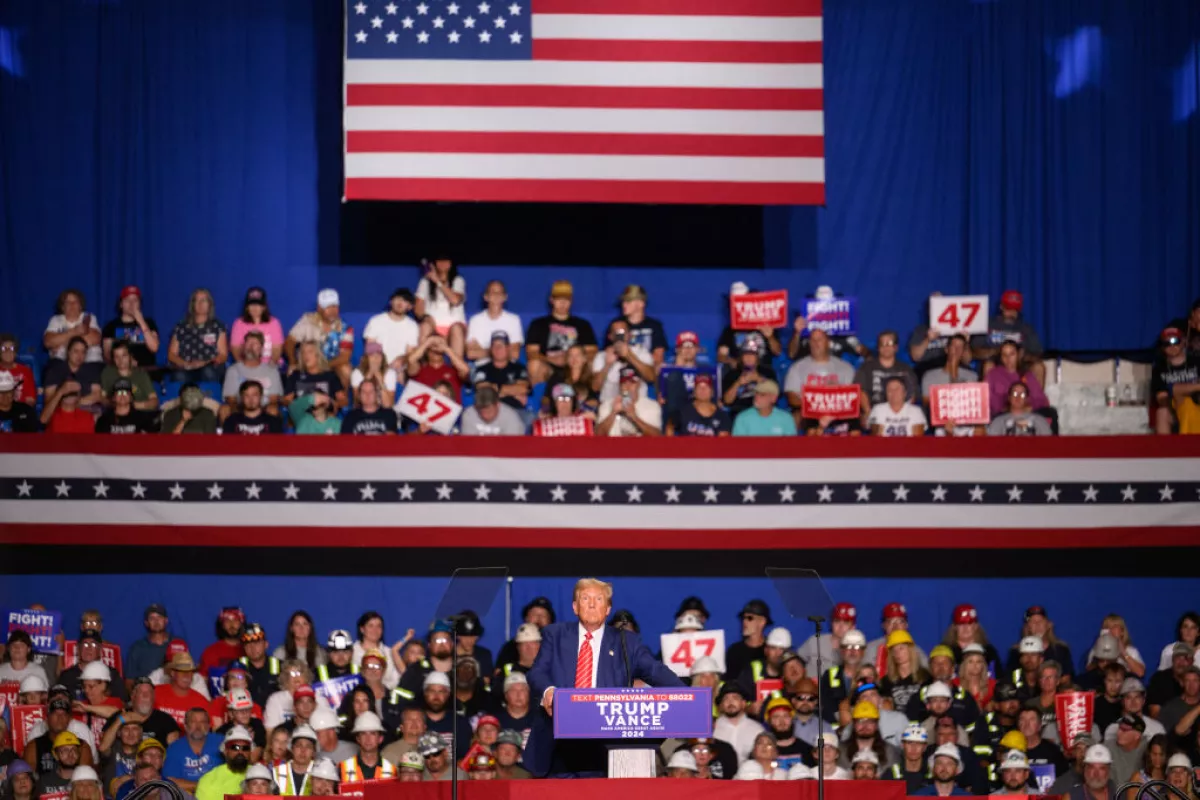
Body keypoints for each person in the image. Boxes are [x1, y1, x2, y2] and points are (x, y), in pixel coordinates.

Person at [525, 578, 684, 777]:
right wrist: (549, 691)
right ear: (575, 607)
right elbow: (537, 672)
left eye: (599, 599)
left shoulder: (627, 642)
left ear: (608, 609)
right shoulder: (555, 635)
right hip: (557, 743)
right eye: (585, 598)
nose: (592, 604)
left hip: (605, 747)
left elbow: (658, 674)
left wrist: (690, 700)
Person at [525, 281, 599, 386]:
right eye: (559, 299)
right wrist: (551, 359)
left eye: (566, 299)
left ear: (571, 301)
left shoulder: (583, 325)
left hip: (576, 366)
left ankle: (586, 397)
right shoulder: (538, 324)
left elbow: (592, 352)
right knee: (534, 364)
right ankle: (540, 400)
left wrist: (572, 359)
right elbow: (531, 352)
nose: (563, 303)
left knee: (593, 364)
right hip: (549, 366)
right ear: (551, 300)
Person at [286, 289, 354, 390]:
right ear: (319, 308)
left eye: (334, 306)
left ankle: (342, 402)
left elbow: (345, 357)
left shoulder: (345, 328)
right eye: (328, 307)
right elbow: (289, 342)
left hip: (331, 364)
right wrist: (292, 362)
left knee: (346, 370)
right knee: (291, 370)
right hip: (308, 361)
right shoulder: (307, 321)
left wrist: (323, 366)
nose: (332, 311)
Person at [972, 290, 1046, 384]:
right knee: (988, 366)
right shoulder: (989, 325)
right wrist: (997, 353)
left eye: (1014, 310)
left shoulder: (1025, 328)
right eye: (1008, 309)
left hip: (1019, 366)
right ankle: (990, 398)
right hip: (996, 363)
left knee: (1039, 367)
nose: (1011, 313)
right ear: (1001, 307)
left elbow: (1038, 353)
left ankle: (1037, 398)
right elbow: (974, 350)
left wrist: (1022, 356)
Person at [167, 289, 227, 384]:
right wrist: (186, 364)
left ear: (210, 304)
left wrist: (204, 363)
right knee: (179, 376)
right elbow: (171, 354)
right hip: (186, 367)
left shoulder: (218, 326)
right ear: (192, 304)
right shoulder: (181, 326)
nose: (200, 304)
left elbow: (223, 355)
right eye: (197, 300)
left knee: (208, 372)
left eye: (203, 300)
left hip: (209, 366)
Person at [716, 282, 783, 367]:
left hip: (764, 373)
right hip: (740, 375)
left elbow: (777, 352)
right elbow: (721, 356)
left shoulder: (766, 326)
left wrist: (770, 337)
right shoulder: (729, 331)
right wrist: (732, 361)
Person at [853, 330, 918, 418]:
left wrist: (902, 414)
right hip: (874, 412)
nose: (886, 347)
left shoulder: (906, 369)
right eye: (882, 343)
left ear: (896, 347)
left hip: (900, 414)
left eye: (889, 343)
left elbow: (912, 394)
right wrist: (869, 414)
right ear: (878, 347)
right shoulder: (866, 368)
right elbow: (860, 392)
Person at [220, 332, 283, 421]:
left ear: (261, 349)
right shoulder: (233, 370)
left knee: (273, 410)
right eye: (248, 343)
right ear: (243, 347)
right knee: (225, 409)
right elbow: (231, 399)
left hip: (264, 409)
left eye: (255, 344)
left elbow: (273, 400)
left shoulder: (272, 371)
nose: (251, 347)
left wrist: (257, 410)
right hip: (240, 409)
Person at [591, 319, 656, 404]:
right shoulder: (602, 356)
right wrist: (607, 365)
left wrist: (629, 356)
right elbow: (595, 387)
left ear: (629, 335)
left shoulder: (641, 352)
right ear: (610, 336)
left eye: (622, 332)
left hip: (638, 405)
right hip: (609, 405)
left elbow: (651, 377)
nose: (620, 336)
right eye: (616, 333)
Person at [415, 256, 468, 359]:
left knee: (456, 329)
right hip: (433, 329)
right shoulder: (425, 282)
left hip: (454, 329)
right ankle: (423, 367)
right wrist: (426, 317)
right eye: (439, 260)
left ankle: (457, 372)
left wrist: (437, 281)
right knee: (424, 326)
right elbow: (418, 310)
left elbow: (455, 300)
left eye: (446, 260)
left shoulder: (458, 280)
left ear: (451, 263)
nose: (442, 263)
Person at [43, 289, 103, 379]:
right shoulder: (56, 320)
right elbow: (48, 342)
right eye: (68, 302)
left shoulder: (89, 318)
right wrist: (75, 331)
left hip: (90, 362)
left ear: (80, 306)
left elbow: (94, 338)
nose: (72, 305)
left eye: (75, 302)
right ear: (63, 307)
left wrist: (61, 340)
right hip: (61, 362)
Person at [1152, 326, 1200, 434]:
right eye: (1167, 343)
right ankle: (1166, 450)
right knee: (1162, 413)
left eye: (1175, 341)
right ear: (1162, 347)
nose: (1172, 346)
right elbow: (1162, 397)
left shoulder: (1197, 361)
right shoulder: (1159, 369)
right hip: (1174, 407)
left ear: (1183, 342)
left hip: (1197, 403)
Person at [162, 708, 222, 792]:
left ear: (209, 726)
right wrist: (203, 786)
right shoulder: (174, 748)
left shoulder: (221, 742)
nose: (198, 727)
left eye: (202, 722)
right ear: (185, 726)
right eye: (193, 722)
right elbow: (170, 781)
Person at [101, 286, 160, 369]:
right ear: (121, 304)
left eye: (135, 300)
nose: (131, 304)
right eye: (127, 300)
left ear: (140, 303)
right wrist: (124, 362)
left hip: (146, 371)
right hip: (121, 371)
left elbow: (154, 348)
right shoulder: (111, 326)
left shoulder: (149, 323)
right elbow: (107, 356)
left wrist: (141, 321)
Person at [363, 288, 420, 373]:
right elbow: (371, 349)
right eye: (397, 298)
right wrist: (384, 367)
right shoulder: (376, 321)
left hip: (400, 369)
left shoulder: (412, 326)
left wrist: (402, 359)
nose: (400, 302)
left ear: (409, 306)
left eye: (405, 300)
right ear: (391, 301)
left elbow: (410, 353)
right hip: (378, 366)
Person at [470, 332, 531, 411]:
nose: (498, 349)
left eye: (501, 345)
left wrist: (496, 389)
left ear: (508, 348)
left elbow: (522, 388)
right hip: (489, 411)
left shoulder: (519, 368)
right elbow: (483, 391)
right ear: (491, 349)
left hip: (515, 410)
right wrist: (510, 391)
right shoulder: (481, 370)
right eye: (494, 345)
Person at [465, 280, 524, 361]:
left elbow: (515, 354)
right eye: (492, 292)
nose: (496, 295)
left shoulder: (514, 320)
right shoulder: (475, 320)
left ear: (505, 297)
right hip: (482, 368)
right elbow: (471, 354)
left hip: (507, 368)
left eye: (500, 292)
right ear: (486, 296)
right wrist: (502, 351)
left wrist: (484, 351)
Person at [595, 368, 662, 437]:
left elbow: (657, 437)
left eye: (632, 382)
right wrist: (613, 413)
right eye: (624, 382)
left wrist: (634, 417)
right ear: (619, 385)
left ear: (639, 384)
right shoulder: (607, 405)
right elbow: (598, 436)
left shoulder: (651, 406)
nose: (628, 386)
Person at [43, 336, 103, 412]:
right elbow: (48, 399)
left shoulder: (91, 370)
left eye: (83, 352)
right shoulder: (55, 370)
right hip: (61, 411)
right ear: (68, 352)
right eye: (76, 351)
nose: (79, 356)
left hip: (85, 411)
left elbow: (97, 395)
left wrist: (73, 403)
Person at [721, 338, 778, 417]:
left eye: (752, 354)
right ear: (741, 357)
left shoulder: (768, 372)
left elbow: (774, 397)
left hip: (763, 412)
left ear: (757, 357)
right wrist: (738, 383)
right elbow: (727, 401)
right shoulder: (732, 374)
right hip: (739, 413)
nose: (749, 357)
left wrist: (759, 379)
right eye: (745, 354)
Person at [230, 287, 286, 366]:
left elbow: (277, 349)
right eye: (251, 304)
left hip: (271, 366)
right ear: (247, 307)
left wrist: (270, 367)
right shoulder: (239, 323)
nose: (255, 307)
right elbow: (236, 349)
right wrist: (243, 367)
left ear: (264, 307)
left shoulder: (274, 323)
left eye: (258, 304)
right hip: (246, 365)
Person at [404, 334, 469, 403]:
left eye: (439, 346)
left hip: (449, 410)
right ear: (426, 351)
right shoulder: (419, 370)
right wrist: (428, 342)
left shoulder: (453, 370)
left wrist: (446, 348)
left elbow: (465, 370)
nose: (436, 349)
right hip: (424, 410)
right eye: (432, 346)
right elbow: (411, 360)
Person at [194, 726, 254, 800]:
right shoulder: (209, 780)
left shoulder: (260, 776)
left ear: (250, 752)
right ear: (225, 751)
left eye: (245, 748)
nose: (240, 752)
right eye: (235, 747)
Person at [337, 712, 396, 781]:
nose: (368, 739)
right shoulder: (343, 768)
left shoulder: (391, 770)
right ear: (358, 738)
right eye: (363, 734)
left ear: (380, 739)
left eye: (372, 733)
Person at [101, 341, 158, 411]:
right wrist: (115, 404)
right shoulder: (108, 372)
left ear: (130, 356)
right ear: (113, 359)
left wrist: (133, 405)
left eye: (124, 355)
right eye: (116, 356)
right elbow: (102, 397)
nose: (120, 360)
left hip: (140, 413)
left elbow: (154, 401)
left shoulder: (141, 374)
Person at [349, 342, 397, 408]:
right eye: (372, 355)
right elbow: (357, 403)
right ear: (366, 358)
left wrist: (381, 382)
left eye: (379, 354)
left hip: (383, 413)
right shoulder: (357, 373)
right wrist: (368, 377)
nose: (376, 358)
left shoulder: (390, 373)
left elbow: (388, 405)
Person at [272, 726, 317, 795]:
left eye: (308, 746)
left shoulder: (320, 775)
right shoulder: (276, 773)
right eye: (299, 745)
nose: (303, 750)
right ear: (292, 749)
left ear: (313, 752)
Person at [0, 333, 37, 407]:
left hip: (20, 411)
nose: (8, 351)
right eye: (4, 348)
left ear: (15, 352)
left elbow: (31, 400)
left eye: (11, 348)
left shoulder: (26, 371)